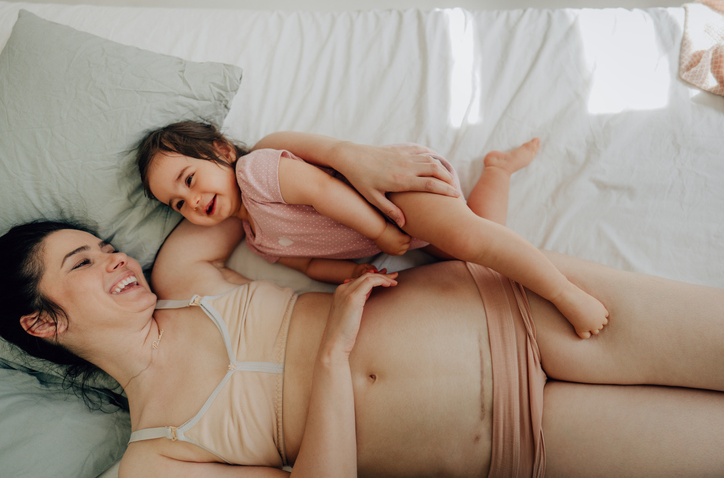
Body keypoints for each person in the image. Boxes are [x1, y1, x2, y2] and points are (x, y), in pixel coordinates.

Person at [2, 144, 724, 478]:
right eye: (82, 264)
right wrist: (332, 352)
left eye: (105, 246)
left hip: (510, 304)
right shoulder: (155, 460)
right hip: (520, 438)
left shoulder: (182, 273)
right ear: (43, 322)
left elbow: (245, 170)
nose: (116, 259)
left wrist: (353, 162)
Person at [137, 122, 607, 338]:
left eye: (189, 180)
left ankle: (564, 293)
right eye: (177, 204)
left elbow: (324, 190)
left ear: (222, 151)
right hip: (397, 230)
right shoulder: (258, 240)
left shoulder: (255, 171)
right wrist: (348, 274)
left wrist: (381, 235)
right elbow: (307, 263)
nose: (190, 202)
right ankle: (498, 170)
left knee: (472, 240)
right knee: (472, 250)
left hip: (393, 194)